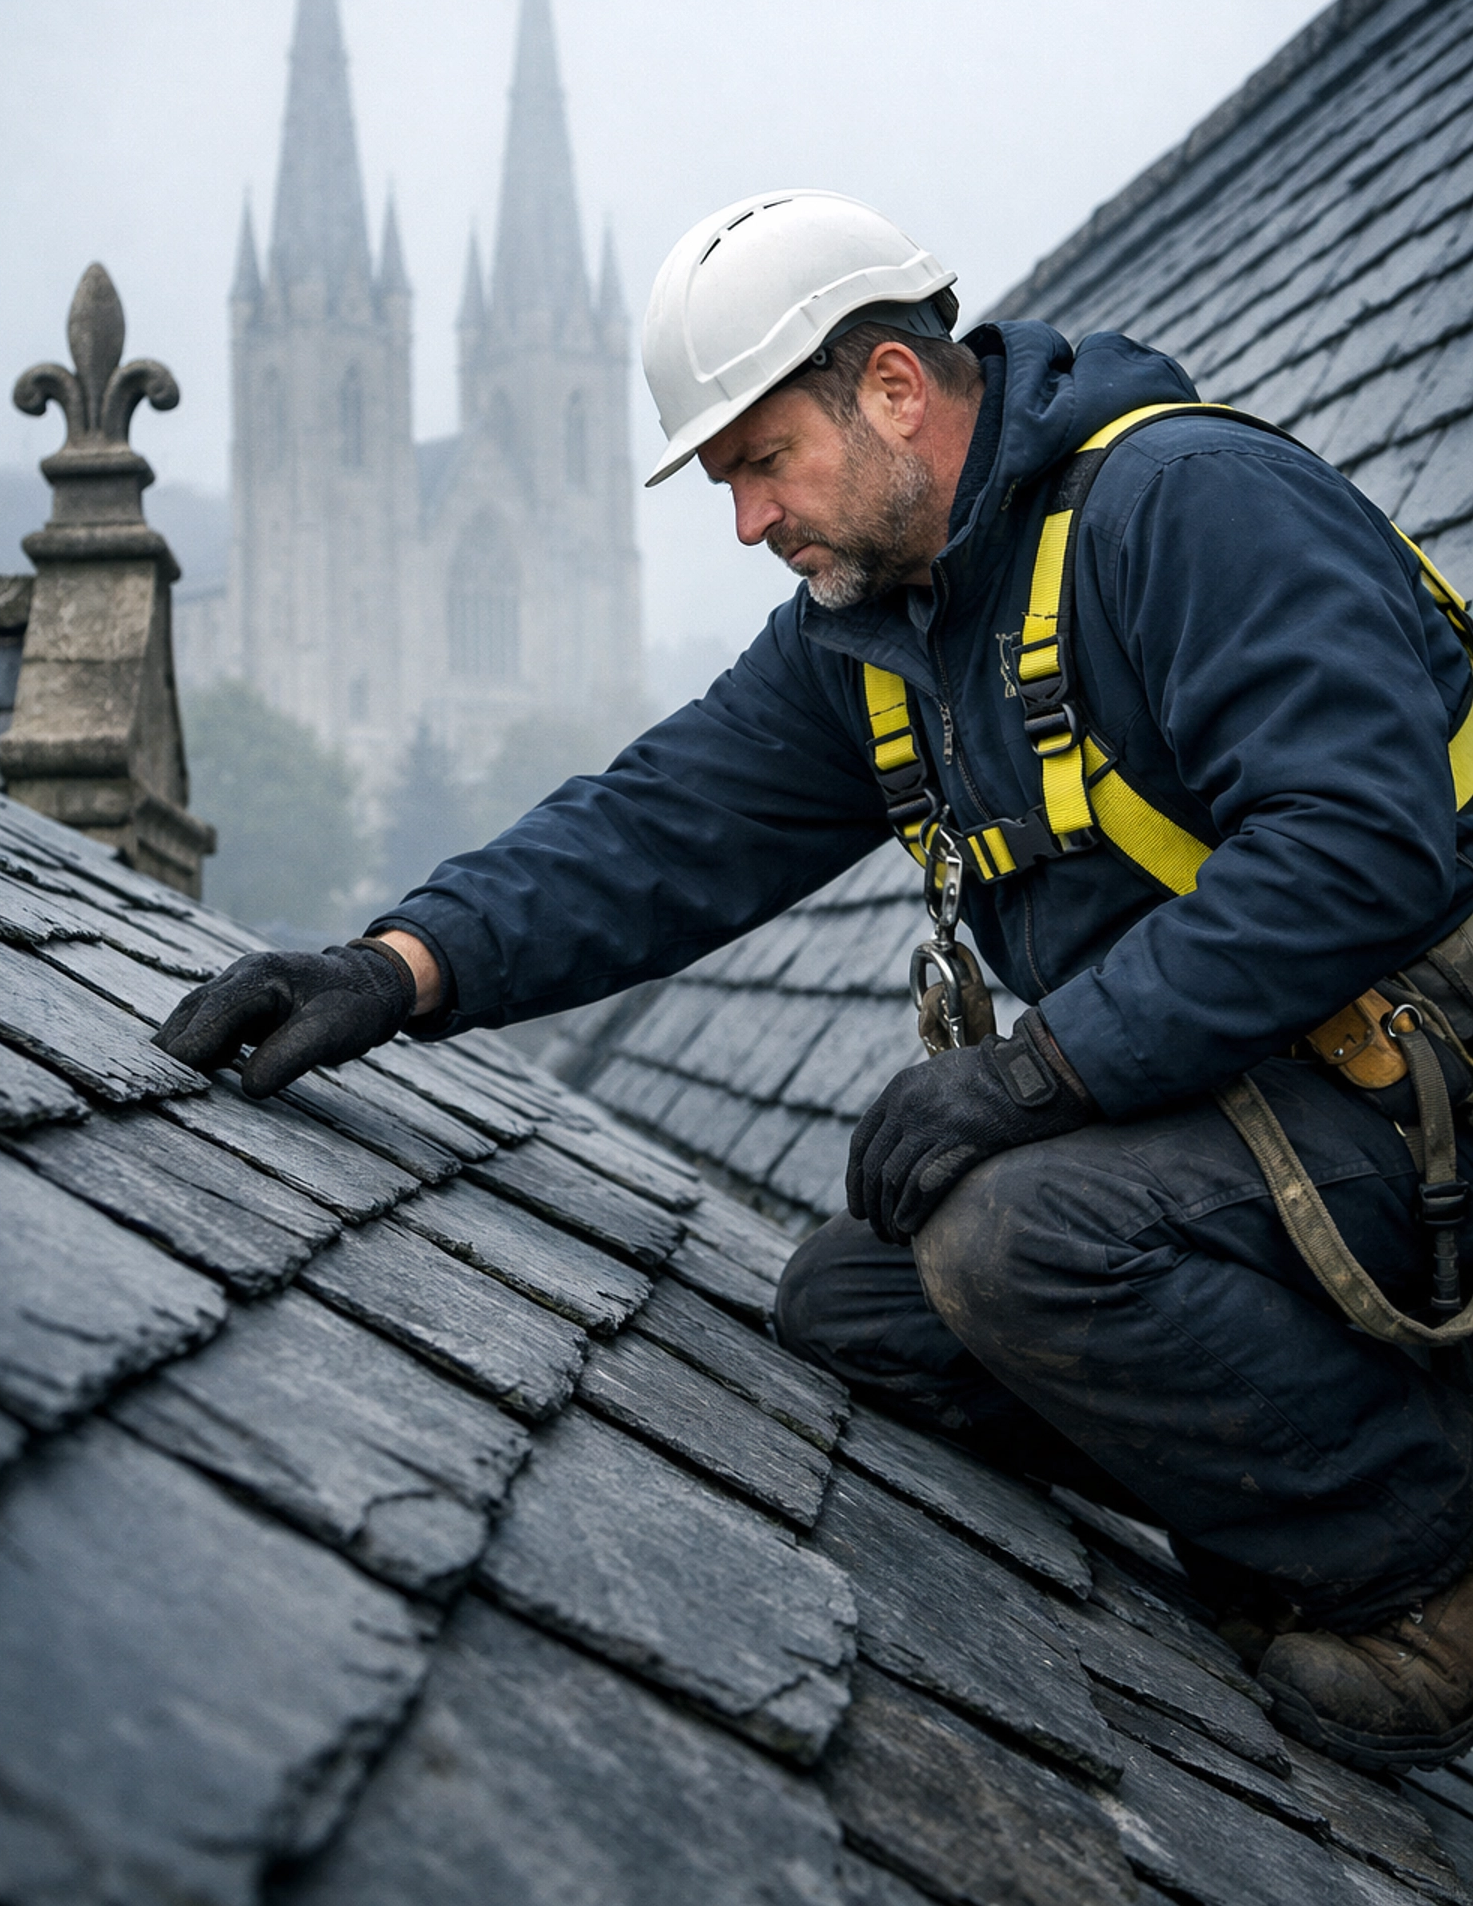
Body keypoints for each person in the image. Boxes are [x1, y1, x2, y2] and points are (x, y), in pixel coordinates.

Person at [157, 189, 1473, 1774]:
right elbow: (660, 827)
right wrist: (397, 964)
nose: (745, 524)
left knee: (1015, 1242)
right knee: (857, 1304)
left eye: (761, 464)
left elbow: (1359, 850)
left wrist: (1039, 1075)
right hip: (1271, 1102)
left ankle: (1433, 1577)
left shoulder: (1189, 509)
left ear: (897, 392)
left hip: (1427, 1087)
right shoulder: (885, 629)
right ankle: (1329, 1486)